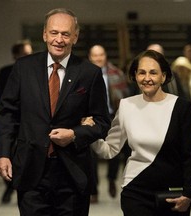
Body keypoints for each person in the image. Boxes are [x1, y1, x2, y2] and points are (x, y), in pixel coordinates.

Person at [0, 8, 111, 216]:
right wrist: (3, 154)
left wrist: (75, 134)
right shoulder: (24, 68)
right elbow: (7, 114)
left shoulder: (89, 74)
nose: (59, 39)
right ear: (44, 34)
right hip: (31, 171)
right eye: (54, 32)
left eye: (66, 34)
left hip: (72, 174)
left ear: (75, 37)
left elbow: (103, 122)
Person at [86, 50, 191, 216]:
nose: (147, 78)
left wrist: (188, 193)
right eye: (141, 73)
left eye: (153, 72)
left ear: (163, 76)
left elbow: (189, 155)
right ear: (135, 76)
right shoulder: (126, 106)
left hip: (172, 193)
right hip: (135, 191)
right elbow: (110, 149)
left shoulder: (180, 107)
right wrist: (91, 133)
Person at [0, 39, 33, 204]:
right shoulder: (5, 72)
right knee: (5, 153)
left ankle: (16, 186)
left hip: (28, 120)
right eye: (25, 54)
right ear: (16, 55)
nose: (29, 56)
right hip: (10, 119)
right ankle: (9, 187)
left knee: (22, 155)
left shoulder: (35, 71)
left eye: (30, 54)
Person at [88, 44, 130, 203]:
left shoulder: (116, 74)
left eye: (101, 55)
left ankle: (111, 179)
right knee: (91, 155)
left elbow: (125, 96)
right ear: (90, 57)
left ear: (105, 56)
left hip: (112, 117)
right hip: (91, 119)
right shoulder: (84, 74)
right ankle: (94, 189)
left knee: (115, 152)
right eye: (95, 55)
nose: (98, 58)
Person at [171, 56, 191, 122]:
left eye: (182, 69)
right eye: (178, 69)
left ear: (187, 69)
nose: (180, 72)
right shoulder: (181, 82)